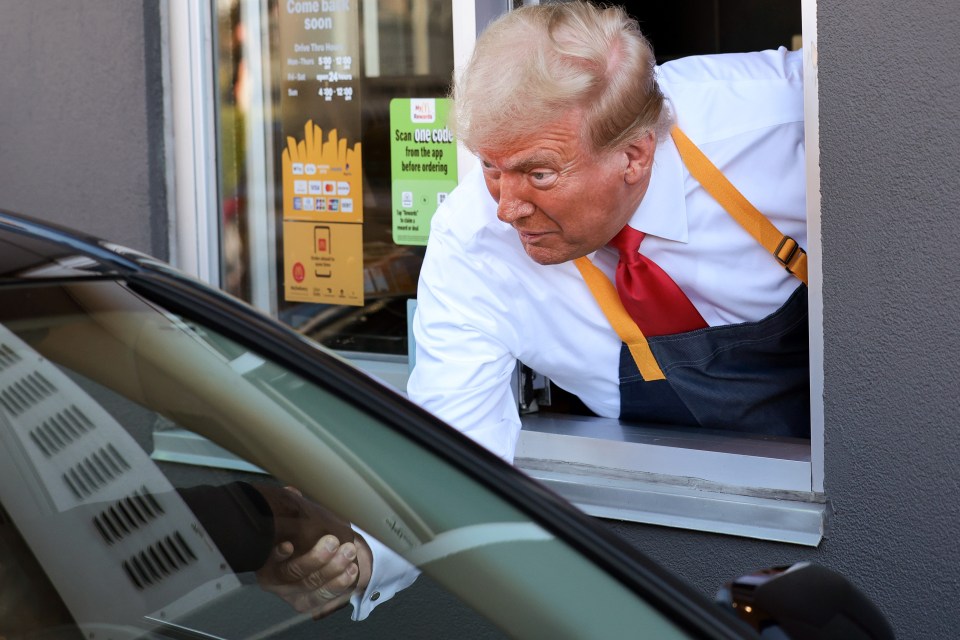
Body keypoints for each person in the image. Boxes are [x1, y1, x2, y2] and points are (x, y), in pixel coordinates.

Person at [271, 0, 810, 619]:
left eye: (538, 174)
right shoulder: (473, 241)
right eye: (492, 169)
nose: (506, 207)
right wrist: (364, 554)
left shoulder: (779, 116)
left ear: (635, 154)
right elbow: (454, 445)